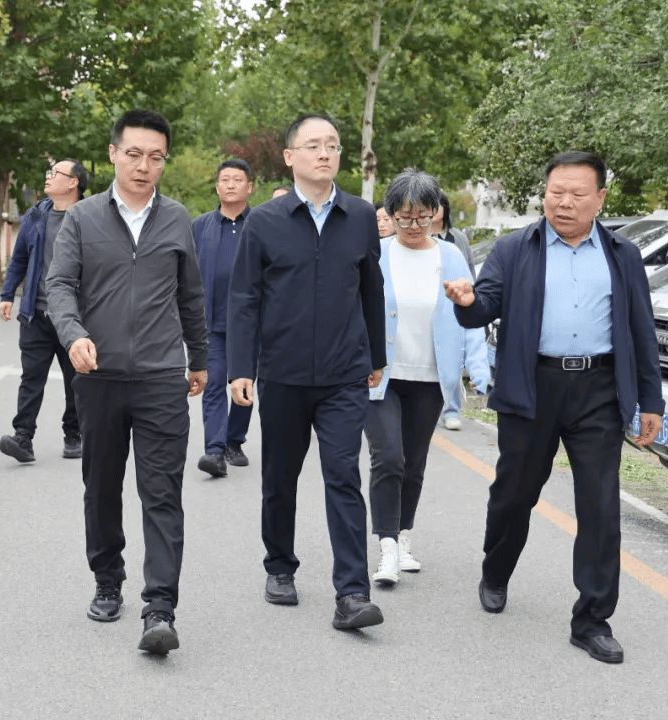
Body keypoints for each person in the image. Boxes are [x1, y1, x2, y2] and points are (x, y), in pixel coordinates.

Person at [445, 151, 664, 664]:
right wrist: (466, 301)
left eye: (577, 194)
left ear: (600, 199)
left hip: (599, 391)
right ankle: (496, 570)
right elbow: (484, 305)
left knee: (600, 506)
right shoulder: (514, 248)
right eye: (555, 193)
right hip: (532, 386)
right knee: (513, 495)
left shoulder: (623, 254)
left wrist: (650, 400)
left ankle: (592, 619)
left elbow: (641, 330)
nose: (564, 203)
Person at [46, 109, 208, 655]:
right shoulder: (82, 218)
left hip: (161, 377)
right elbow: (59, 285)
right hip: (98, 377)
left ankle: (160, 608)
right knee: (102, 487)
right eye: (134, 154)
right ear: (113, 153)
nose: (144, 166)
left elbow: (191, 295)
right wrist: (73, 335)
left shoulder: (177, 218)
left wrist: (199, 357)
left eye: (155, 157)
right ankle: (107, 579)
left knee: (162, 493)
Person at [227, 112, 387, 630]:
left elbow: (371, 289)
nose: (325, 152)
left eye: (333, 145)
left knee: (344, 476)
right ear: (290, 156)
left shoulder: (360, 215)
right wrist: (240, 368)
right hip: (283, 374)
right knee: (280, 478)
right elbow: (244, 298)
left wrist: (376, 357)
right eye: (313, 144)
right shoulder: (264, 221)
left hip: (344, 375)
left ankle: (353, 593)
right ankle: (279, 566)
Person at [365, 168, 489, 588]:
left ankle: (403, 536)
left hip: (431, 377)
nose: (414, 226)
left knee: (413, 463)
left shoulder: (451, 257)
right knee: (389, 457)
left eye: (422, 217)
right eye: (404, 218)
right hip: (380, 375)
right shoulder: (375, 253)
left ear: (436, 212)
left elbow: (470, 315)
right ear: (390, 214)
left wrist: (478, 370)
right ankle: (386, 547)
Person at [0, 159, 87, 463]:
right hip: (35, 313)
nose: (48, 177)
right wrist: (7, 294)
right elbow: (20, 257)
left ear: (73, 182)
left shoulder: (90, 217)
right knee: (31, 378)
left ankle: (74, 435)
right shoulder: (36, 214)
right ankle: (23, 437)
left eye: (55, 173)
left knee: (76, 379)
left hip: (73, 318)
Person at [192, 159, 256, 478]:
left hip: (251, 323)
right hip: (211, 323)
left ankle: (234, 440)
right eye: (225, 179)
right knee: (215, 381)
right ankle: (215, 451)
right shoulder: (200, 226)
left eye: (237, 179)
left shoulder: (261, 225)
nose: (230, 184)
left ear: (250, 187)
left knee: (243, 383)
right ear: (217, 187)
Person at [430, 192, 479, 431]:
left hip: (452, 305)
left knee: (452, 358)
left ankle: (451, 410)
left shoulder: (457, 238)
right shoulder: (419, 236)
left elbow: (469, 271)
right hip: (427, 305)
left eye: (438, 206)